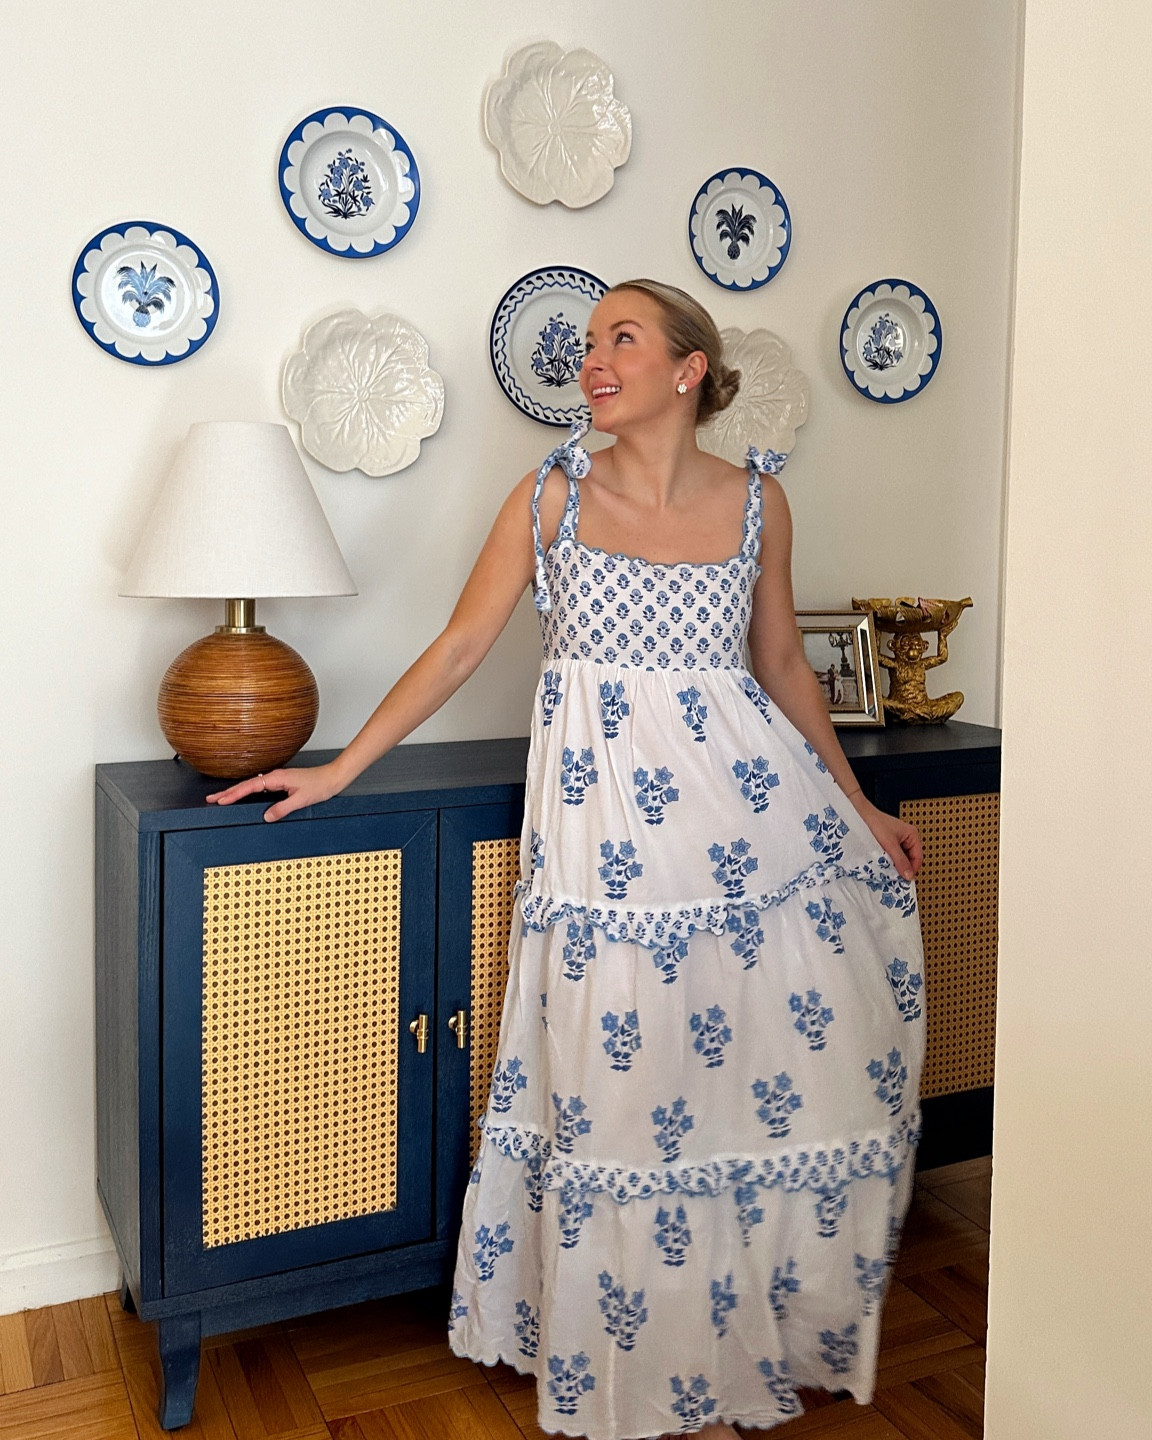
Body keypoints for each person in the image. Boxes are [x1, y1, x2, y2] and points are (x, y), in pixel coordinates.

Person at [208, 279, 926, 1439]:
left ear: (688, 368)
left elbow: (785, 667)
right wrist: (339, 771)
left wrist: (857, 801)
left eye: (621, 340)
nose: (593, 360)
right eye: (589, 344)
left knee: (737, 1077)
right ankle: (633, 1350)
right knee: (621, 1085)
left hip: (747, 836)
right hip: (605, 847)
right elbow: (457, 649)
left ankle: (730, 1329)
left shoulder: (759, 506)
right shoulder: (549, 495)